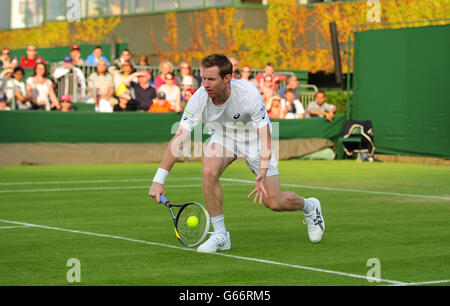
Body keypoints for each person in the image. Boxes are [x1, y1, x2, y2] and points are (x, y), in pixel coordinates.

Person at [148, 54, 325, 253]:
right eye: (203, 78)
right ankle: (221, 235)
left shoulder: (248, 93)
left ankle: (310, 206)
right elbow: (179, 139)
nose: (205, 84)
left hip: (255, 141)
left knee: (274, 202)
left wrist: (263, 170)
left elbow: (265, 134)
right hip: (223, 137)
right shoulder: (199, 98)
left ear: (227, 78)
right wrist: (159, 179)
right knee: (208, 172)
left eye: (211, 79)